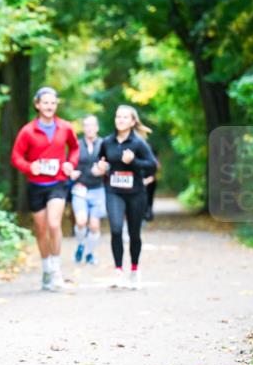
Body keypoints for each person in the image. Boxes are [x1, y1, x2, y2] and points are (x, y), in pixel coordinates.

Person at [10, 87, 80, 291]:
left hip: (57, 183)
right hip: (36, 185)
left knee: (53, 224)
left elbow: (75, 148)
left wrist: (71, 164)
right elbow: (16, 157)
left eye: (53, 103)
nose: (49, 106)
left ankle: (56, 270)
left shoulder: (65, 128)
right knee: (41, 230)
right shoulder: (28, 131)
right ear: (38, 105)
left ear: (56, 105)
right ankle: (46, 270)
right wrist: (29, 166)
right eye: (45, 103)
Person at [91, 105, 156, 289]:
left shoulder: (138, 143)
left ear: (133, 121)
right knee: (117, 229)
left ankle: (134, 270)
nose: (120, 120)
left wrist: (133, 161)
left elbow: (152, 165)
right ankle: (118, 270)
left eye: (125, 117)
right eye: (118, 116)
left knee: (134, 233)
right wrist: (101, 169)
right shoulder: (107, 142)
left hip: (136, 193)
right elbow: (100, 163)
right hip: (114, 191)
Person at [69, 115, 107, 265]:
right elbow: (69, 164)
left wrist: (104, 170)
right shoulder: (76, 146)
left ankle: (90, 254)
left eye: (92, 125)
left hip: (98, 190)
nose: (90, 128)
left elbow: (111, 164)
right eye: (86, 125)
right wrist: (71, 173)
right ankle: (80, 245)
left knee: (94, 226)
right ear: (83, 128)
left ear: (97, 127)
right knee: (81, 222)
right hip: (80, 189)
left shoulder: (104, 144)